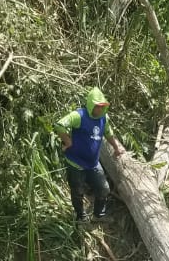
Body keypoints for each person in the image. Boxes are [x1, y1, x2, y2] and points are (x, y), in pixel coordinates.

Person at [52, 86, 123, 222]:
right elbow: (59, 125)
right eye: (97, 106)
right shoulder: (79, 115)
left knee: (104, 189)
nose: (100, 109)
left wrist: (116, 147)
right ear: (91, 104)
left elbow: (108, 133)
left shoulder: (103, 118)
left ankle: (98, 215)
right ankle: (81, 217)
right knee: (77, 192)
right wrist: (68, 142)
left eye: (102, 106)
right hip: (76, 163)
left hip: (93, 163)